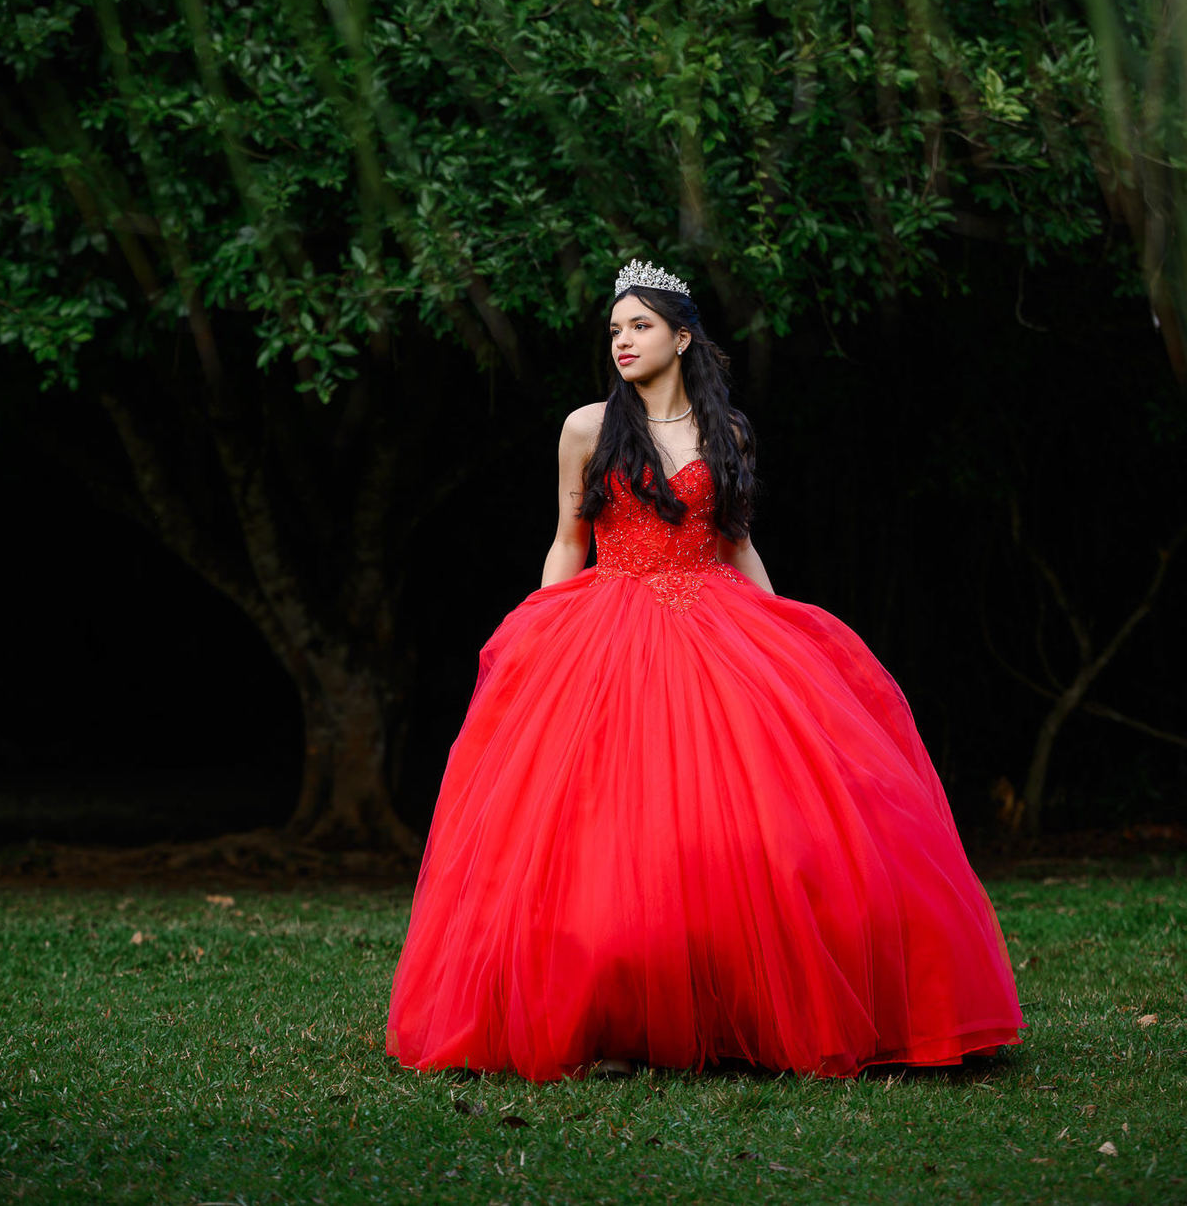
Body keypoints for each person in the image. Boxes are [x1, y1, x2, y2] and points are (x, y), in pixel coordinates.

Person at [386, 260, 1024, 1081]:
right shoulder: (587, 428)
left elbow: (737, 541)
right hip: (609, 625)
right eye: (615, 329)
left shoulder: (729, 432)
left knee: (748, 832)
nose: (623, 340)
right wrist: (537, 636)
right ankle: (611, 1011)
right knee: (607, 829)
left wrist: (788, 637)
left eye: (640, 325)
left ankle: (737, 1009)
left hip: (717, 622)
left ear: (682, 337)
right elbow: (567, 542)